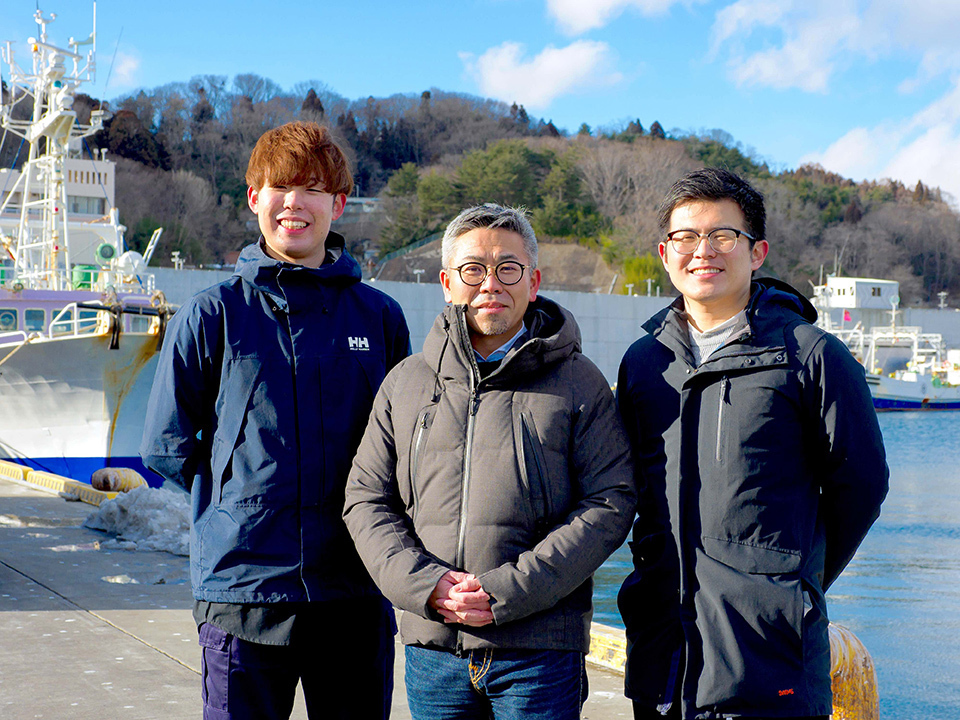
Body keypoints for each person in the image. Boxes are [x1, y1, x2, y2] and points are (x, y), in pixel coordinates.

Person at [140, 121, 410, 720]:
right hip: (244, 591)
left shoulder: (380, 317)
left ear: (338, 204)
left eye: (313, 188)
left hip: (356, 590)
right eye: (280, 186)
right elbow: (166, 446)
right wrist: (242, 498)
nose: (296, 203)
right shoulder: (213, 315)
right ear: (253, 197)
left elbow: (402, 449)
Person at [343, 203, 636, 719]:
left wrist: (506, 591)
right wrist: (426, 586)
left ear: (534, 279)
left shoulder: (578, 382)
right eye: (473, 269)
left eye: (508, 269)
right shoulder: (407, 382)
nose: (490, 284)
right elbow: (365, 499)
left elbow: (610, 502)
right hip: (433, 650)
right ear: (446, 282)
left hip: (540, 653)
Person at [616, 167, 889, 720]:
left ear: (757, 251)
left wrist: (790, 582)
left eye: (723, 235)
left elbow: (860, 488)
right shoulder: (645, 364)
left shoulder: (811, 356)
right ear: (665, 254)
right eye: (687, 237)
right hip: (664, 653)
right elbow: (630, 490)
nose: (703, 251)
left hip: (769, 657)